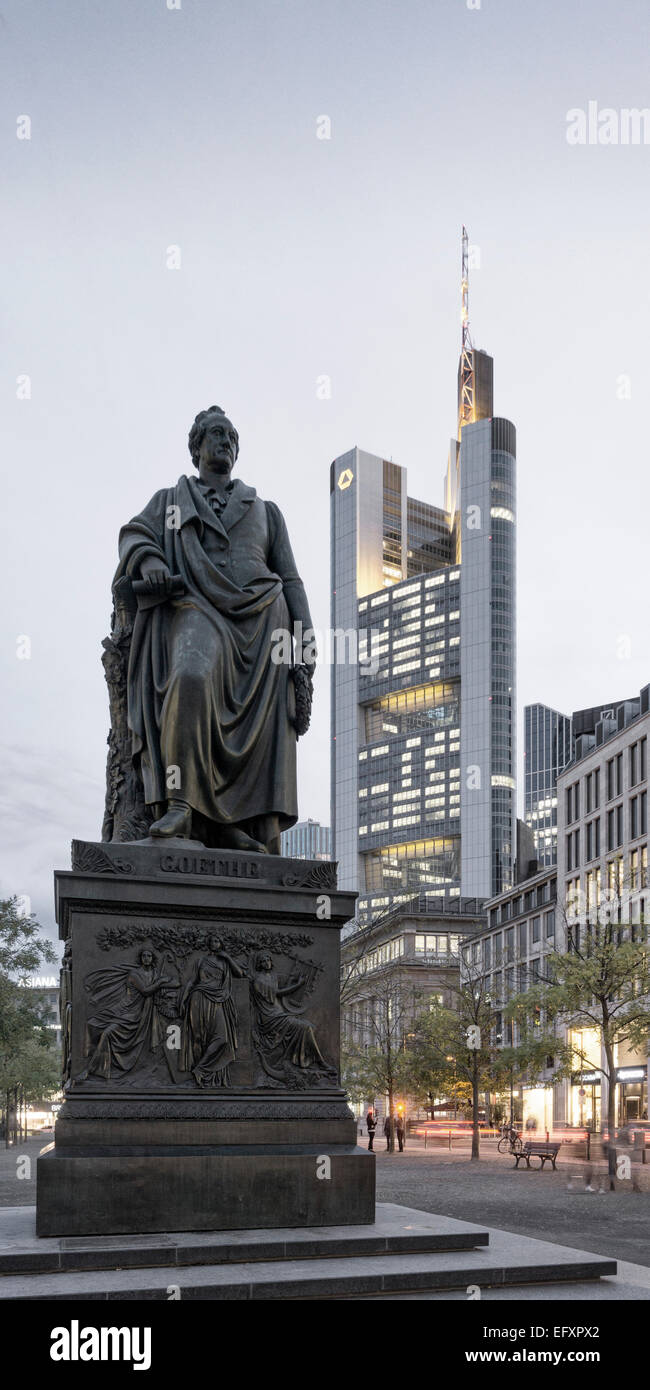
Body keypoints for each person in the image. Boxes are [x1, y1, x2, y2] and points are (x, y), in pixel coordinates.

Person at [114, 405, 315, 854]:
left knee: (263, 727)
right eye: (214, 435)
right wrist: (151, 562)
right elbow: (134, 535)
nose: (224, 442)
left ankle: (234, 824)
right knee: (189, 675)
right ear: (196, 447)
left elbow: (291, 577)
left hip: (264, 619)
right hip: (195, 606)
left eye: (230, 437)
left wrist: (306, 633)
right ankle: (182, 803)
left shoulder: (266, 511)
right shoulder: (171, 500)